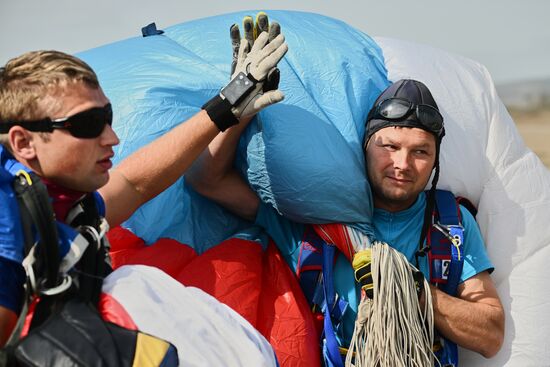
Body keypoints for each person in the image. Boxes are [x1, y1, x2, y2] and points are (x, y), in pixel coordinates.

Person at [0, 26, 288, 346]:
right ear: (23, 142)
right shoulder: (7, 227)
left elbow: (134, 184)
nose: (112, 138)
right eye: (88, 124)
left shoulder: (54, 203)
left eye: (107, 118)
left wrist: (228, 104)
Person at [186, 78, 505, 364]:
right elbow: (207, 180)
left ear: (436, 160)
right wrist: (237, 108)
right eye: (389, 147)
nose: (402, 164)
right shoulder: (311, 219)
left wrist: (412, 291)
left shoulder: (449, 224)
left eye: (420, 152)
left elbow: (490, 336)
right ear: (365, 147)